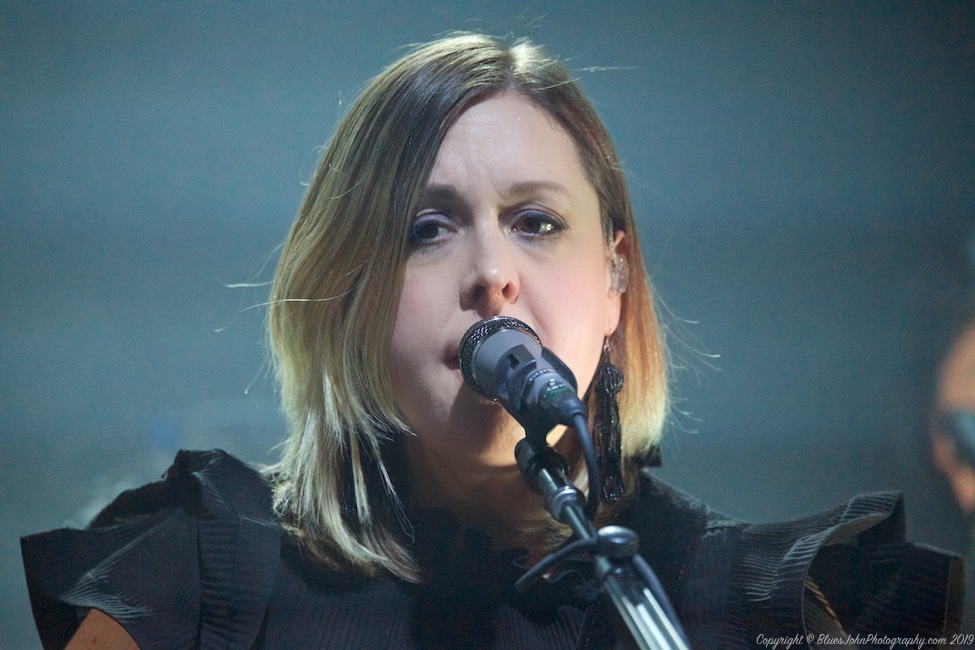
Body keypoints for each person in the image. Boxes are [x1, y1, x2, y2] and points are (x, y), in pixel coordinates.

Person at [21, 33, 962, 649]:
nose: (491, 273)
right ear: (350, 297)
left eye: (538, 222)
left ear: (613, 283)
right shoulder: (196, 584)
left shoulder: (766, 606)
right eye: (425, 228)